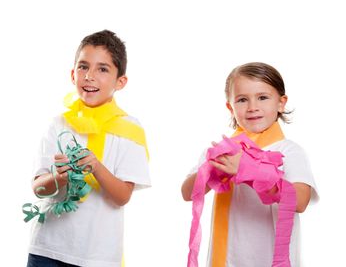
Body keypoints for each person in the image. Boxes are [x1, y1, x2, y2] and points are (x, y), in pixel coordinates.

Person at [27, 30, 151, 267]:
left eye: (102, 69)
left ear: (120, 81)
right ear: (73, 75)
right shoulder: (59, 124)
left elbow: (122, 196)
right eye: (83, 67)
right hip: (47, 249)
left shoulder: (129, 130)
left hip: (97, 256)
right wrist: (59, 177)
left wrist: (95, 166)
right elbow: (38, 188)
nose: (90, 76)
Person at [181, 62, 318, 267]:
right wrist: (210, 169)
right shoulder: (223, 152)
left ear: (281, 103)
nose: (253, 107)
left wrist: (247, 170)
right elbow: (186, 193)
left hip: (269, 260)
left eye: (262, 97)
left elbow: (300, 201)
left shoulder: (289, 151)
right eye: (242, 100)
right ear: (230, 107)